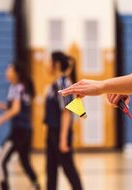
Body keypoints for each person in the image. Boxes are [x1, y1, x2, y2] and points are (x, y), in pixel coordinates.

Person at [0, 62, 40, 190]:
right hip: (27, 130)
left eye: (9, 69)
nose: (6, 71)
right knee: (25, 162)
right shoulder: (22, 87)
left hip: (19, 131)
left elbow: (15, 110)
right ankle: (37, 185)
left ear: (16, 73)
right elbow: (12, 107)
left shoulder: (16, 87)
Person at [44, 51, 83, 190]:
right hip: (52, 132)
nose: (46, 65)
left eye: (49, 62)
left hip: (60, 133)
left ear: (57, 64)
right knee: (51, 170)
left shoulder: (63, 83)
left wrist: (63, 139)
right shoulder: (55, 83)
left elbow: (66, 112)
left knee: (69, 169)